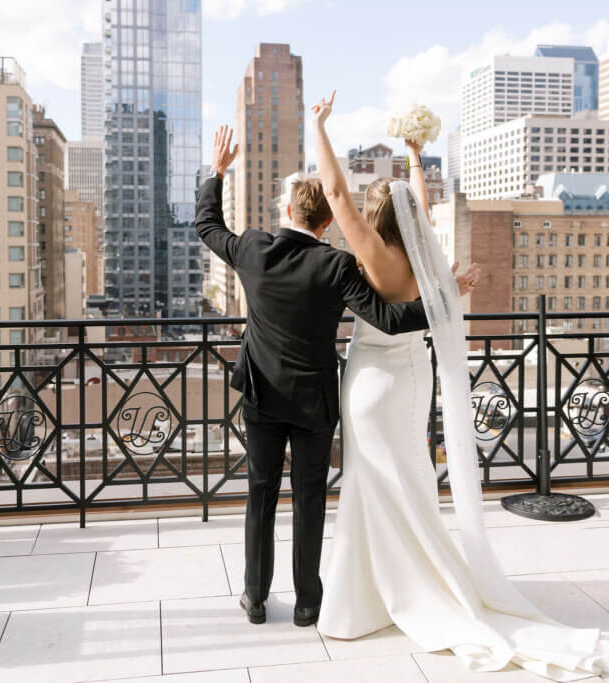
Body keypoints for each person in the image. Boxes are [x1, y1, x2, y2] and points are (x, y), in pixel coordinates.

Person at [309, 90, 609, 682]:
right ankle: (418, 577)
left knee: (370, 483)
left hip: (370, 383)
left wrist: (320, 129)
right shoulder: (427, 255)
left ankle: (364, 598)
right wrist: (415, 155)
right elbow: (424, 206)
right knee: (412, 481)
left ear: (376, 218)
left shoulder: (374, 257)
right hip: (413, 382)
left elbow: (335, 194)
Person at [195, 126, 476, 628]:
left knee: (260, 495)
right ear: (327, 222)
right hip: (314, 404)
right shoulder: (338, 265)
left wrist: (217, 172)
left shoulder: (254, 249)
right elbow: (390, 319)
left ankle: (255, 597)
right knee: (309, 500)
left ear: (288, 213)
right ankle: (307, 603)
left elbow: (207, 225)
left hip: (261, 397)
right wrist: (442, 299)